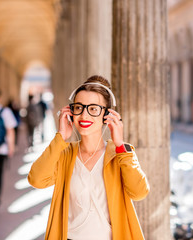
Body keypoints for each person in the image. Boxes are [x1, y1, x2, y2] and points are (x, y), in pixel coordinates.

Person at [27, 75, 150, 239]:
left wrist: (120, 144)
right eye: (79, 107)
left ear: (107, 114)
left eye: (93, 109)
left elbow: (139, 192)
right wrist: (60, 137)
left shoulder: (119, 155)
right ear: (71, 112)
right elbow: (36, 179)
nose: (84, 115)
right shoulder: (64, 154)